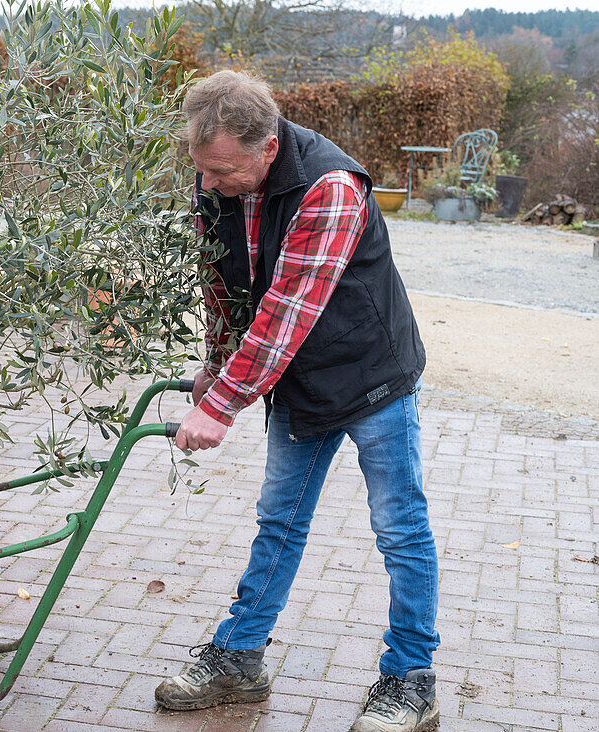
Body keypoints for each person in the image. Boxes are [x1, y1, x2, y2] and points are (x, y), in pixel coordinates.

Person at [154, 70, 441, 732]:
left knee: (399, 526)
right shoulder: (218, 179)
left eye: (223, 171)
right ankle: (240, 658)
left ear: (268, 147)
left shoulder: (329, 188)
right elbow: (223, 287)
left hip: (371, 374)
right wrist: (214, 368)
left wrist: (220, 407)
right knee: (279, 521)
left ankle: (410, 679)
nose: (211, 184)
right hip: (300, 379)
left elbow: (285, 313)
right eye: (204, 172)